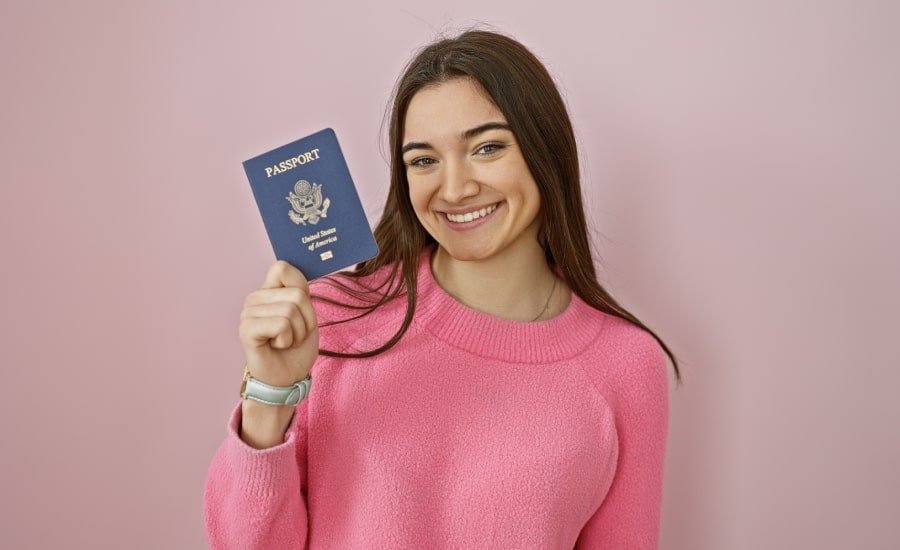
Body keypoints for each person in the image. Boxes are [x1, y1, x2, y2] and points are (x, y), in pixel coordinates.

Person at [204, 28, 679, 549]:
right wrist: (270, 395)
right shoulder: (331, 320)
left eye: (488, 147)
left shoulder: (628, 364)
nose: (454, 189)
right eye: (424, 160)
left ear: (547, 152)